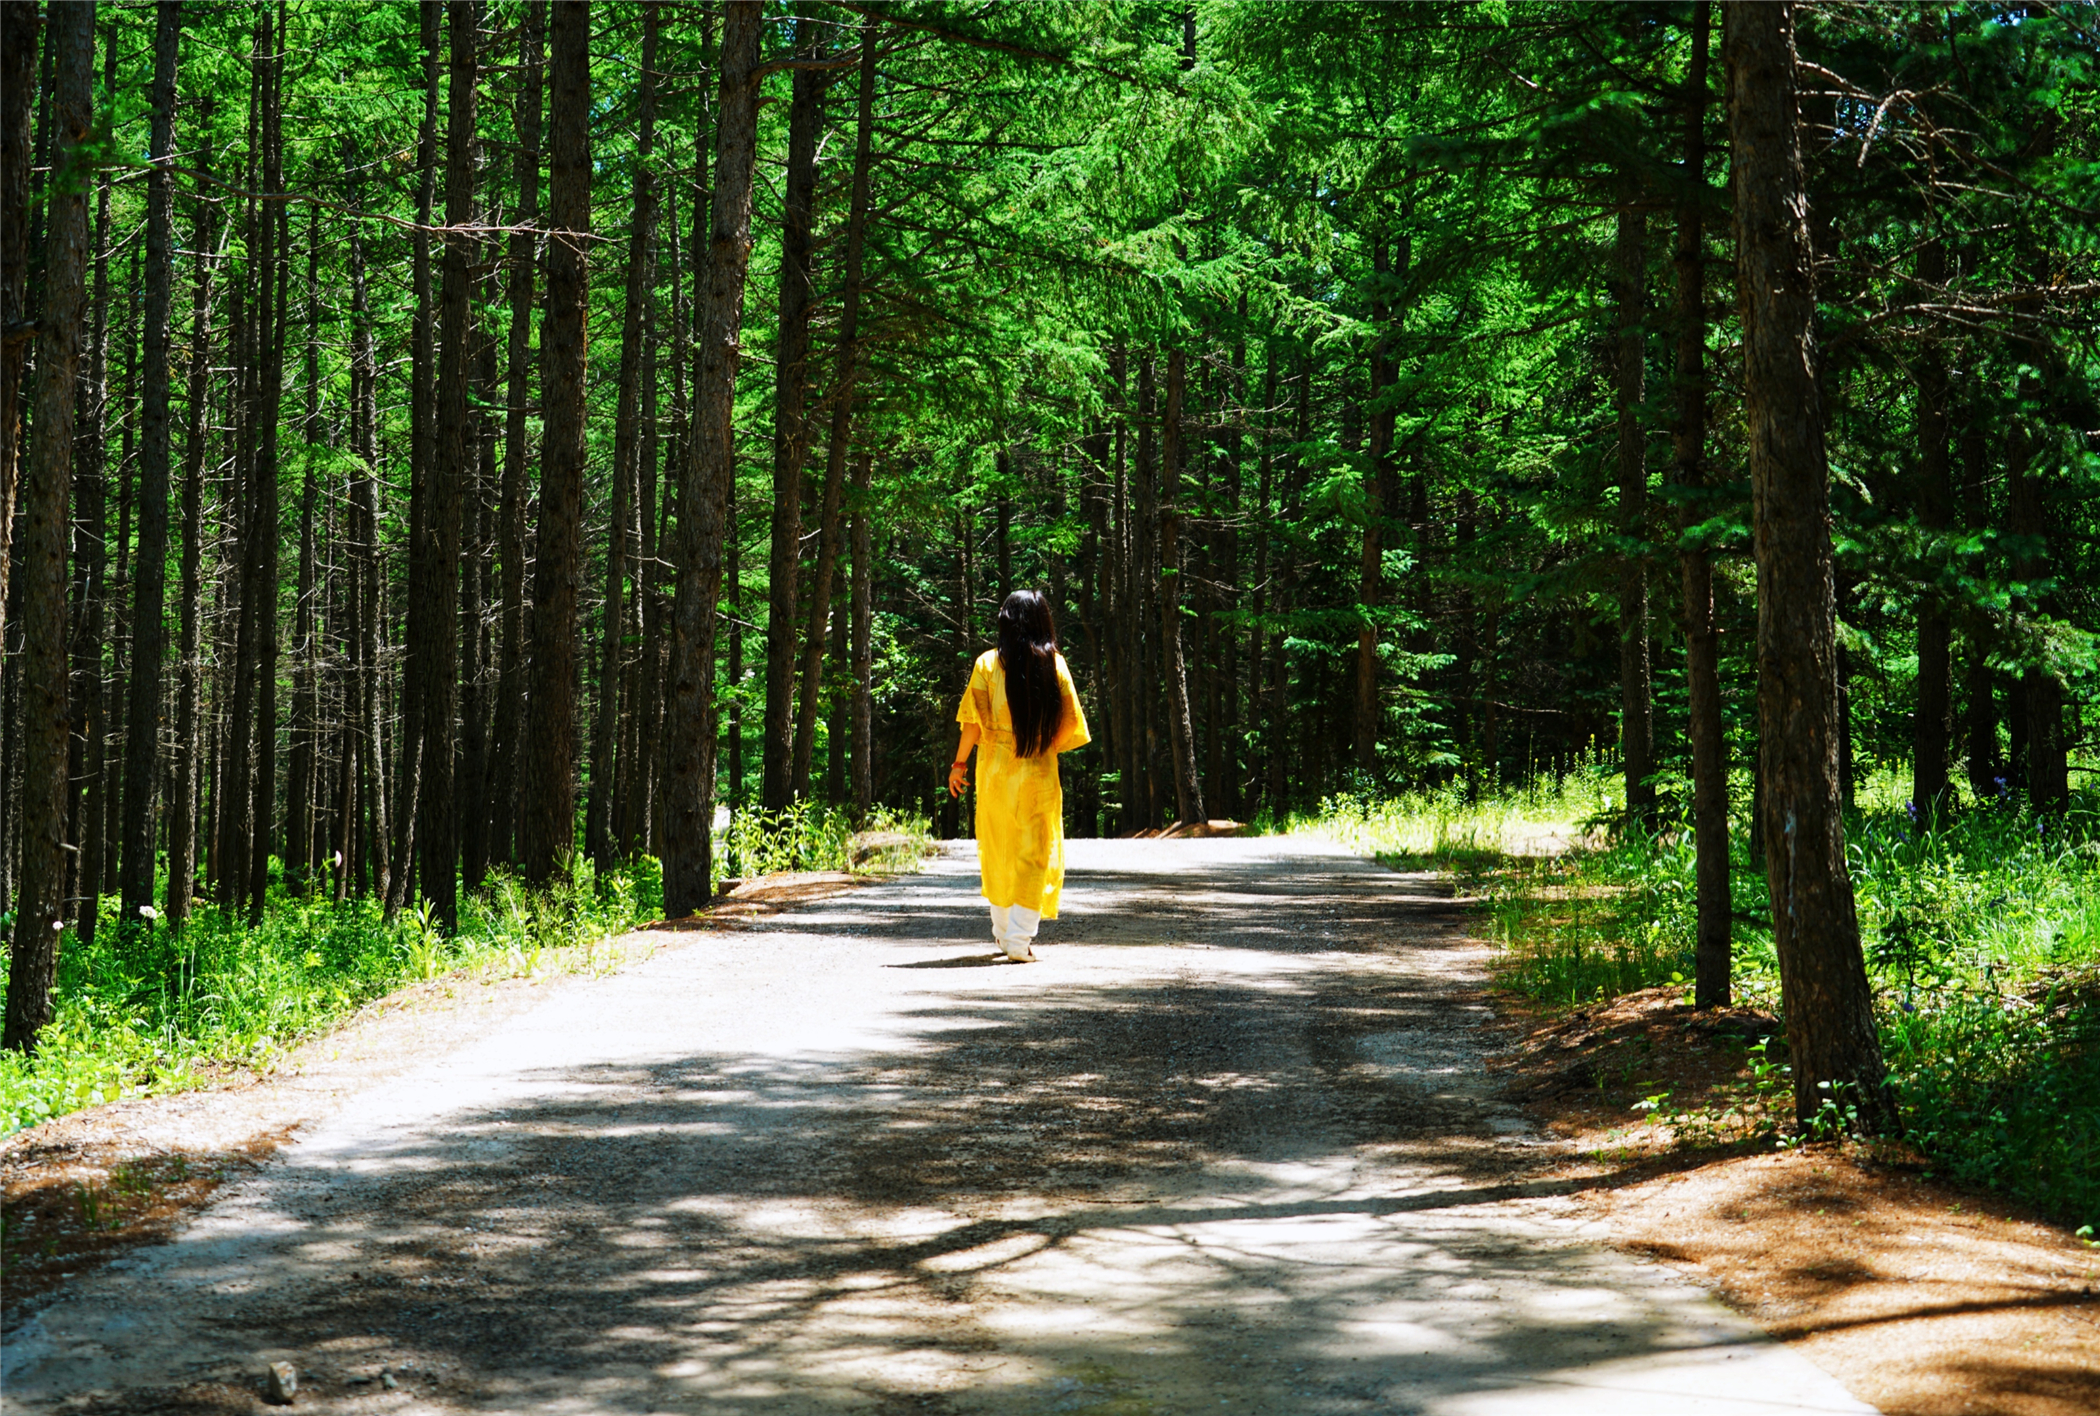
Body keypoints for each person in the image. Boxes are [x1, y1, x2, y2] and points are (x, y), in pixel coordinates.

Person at [949, 589, 1092, 961]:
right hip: (1037, 771)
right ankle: (1018, 938)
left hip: (994, 771)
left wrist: (959, 764)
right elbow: (1073, 723)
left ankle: (1002, 933)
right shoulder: (1054, 664)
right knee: (1035, 853)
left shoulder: (985, 665)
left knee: (998, 849)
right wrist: (1044, 744)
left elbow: (972, 724)